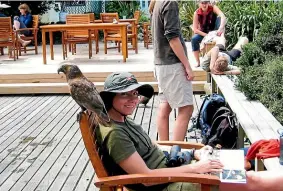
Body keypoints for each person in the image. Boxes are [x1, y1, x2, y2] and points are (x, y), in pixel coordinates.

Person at [97, 72, 224, 191]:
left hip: (172, 169)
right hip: (163, 185)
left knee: (231, 167)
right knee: (237, 181)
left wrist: (192, 153)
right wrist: (195, 168)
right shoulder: (115, 134)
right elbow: (146, 178)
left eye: (135, 93)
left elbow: (153, 146)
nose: (133, 99)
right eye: (124, 94)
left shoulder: (123, 119)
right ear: (109, 97)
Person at [151, 0, 194, 141]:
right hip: (172, 65)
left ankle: (164, 149)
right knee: (186, 108)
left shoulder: (158, 2)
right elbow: (173, 38)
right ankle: (177, 150)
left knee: (165, 105)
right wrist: (187, 65)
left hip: (161, 64)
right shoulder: (170, 2)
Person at [192, 0, 226, 67]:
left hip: (214, 31)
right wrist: (207, 35)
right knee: (194, 39)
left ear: (208, 3)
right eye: (202, 3)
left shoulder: (213, 7)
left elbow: (223, 16)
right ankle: (198, 62)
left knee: (219, 18)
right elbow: (195, 30)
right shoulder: (196, 13)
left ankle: (221, 58)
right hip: (203, 33)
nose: (204, 5)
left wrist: (221, 27)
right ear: (199, 4)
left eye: (206, 3)